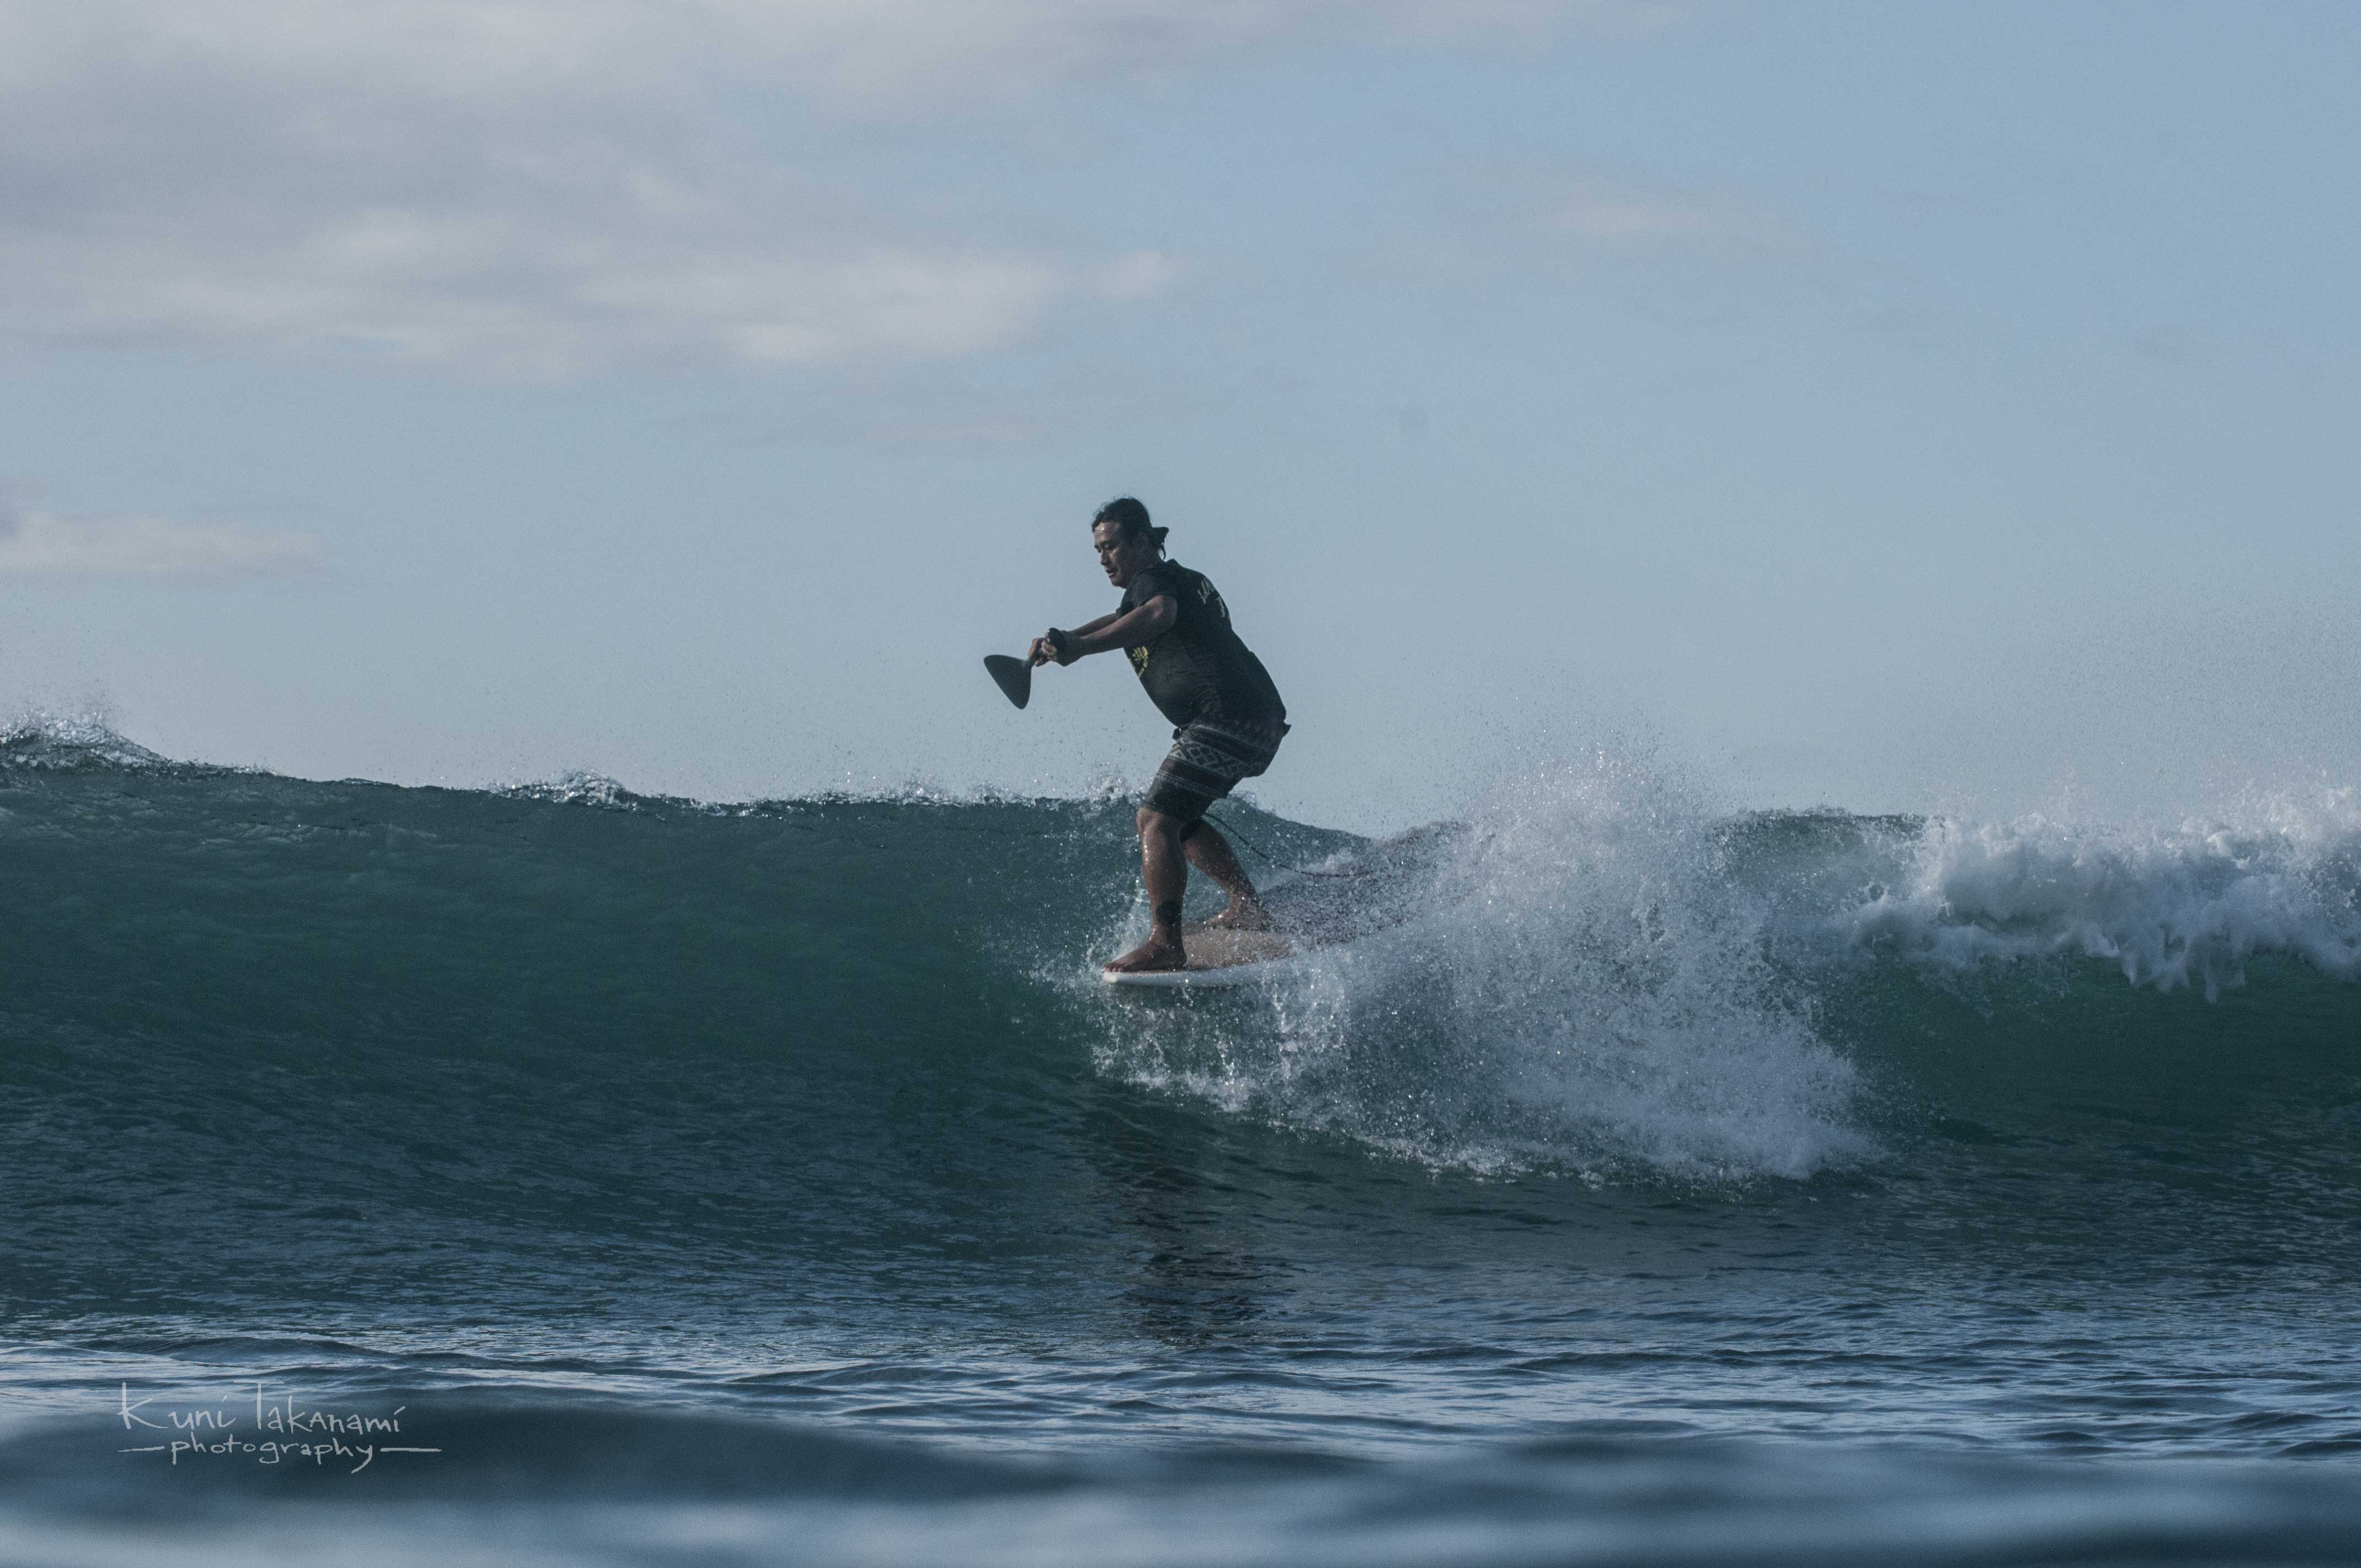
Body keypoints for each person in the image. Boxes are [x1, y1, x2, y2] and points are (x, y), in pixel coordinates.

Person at [1030, 497, 1289, 973]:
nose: (1104, 558)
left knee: (1154, 821)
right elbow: (1123, 616)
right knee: (1181, 819)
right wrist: (1067, 638)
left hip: (1225, 719)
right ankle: (1246, 905)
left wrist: (1082, 648)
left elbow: (1158, 615)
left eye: (1111, 547)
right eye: (1098, 551)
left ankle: (1166, 943)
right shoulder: (1177, 580)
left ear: (1144, 542)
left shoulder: (1157, 586)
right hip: (1258, 720)